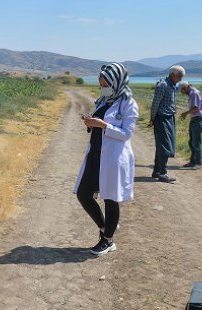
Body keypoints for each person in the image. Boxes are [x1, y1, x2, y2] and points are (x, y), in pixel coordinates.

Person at [74, 63, 139, 256]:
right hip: (96, 154)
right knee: (83, 193)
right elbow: (98, 125)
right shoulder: (103, 100)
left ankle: (108, 240)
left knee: (110, 198)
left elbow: (126, 133)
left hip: (113, 157)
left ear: (117, 81)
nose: (103, 86)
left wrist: (103, 125)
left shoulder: (128, 103)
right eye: (101, 82)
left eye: (106, 82)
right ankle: (106, 227)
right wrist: (90, 123)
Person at [148, 65, 185, 183]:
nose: (181, 79)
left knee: (164, 145)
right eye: (180, 76)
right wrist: (152, 119)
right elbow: (155, 104)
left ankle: (157, 171)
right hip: (162, 118)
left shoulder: (172, 85)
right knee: (164, 145)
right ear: (173, 74)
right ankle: (163, 173)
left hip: (169, 117)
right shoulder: (163, 85)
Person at [179, 81, 202, 169]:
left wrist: (185, 113)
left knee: (196, 142)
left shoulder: (194, 93)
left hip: (198, 120)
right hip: (195, 119)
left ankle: (198, 163)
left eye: (182, 91)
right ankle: (192, 162)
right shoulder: (192, 94)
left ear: (185, 88)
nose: (182, 93)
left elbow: (195, 108)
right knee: (192, 142)